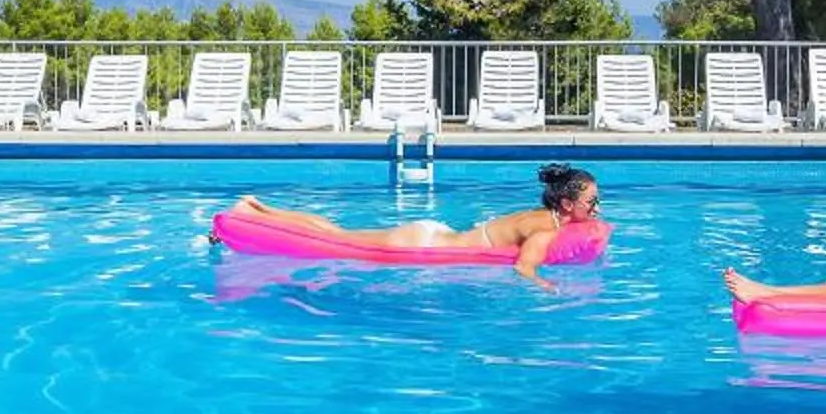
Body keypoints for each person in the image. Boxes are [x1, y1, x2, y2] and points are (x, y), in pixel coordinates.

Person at [227, 164, 602, 280]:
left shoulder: (542, 215)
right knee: (336, 237)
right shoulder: (545, 228)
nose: (597, 208)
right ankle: (257, 210)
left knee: (339, 233)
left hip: (433, 233)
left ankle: (260, 210)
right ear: (567, 204)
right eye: (592, 202)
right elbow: (524, 268)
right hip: (423, 242)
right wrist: (551, 289)